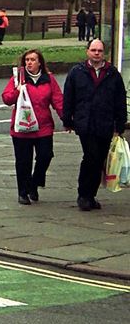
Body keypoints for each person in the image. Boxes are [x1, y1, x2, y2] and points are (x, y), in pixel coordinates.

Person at [62, 39, 128, 211]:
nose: (96, 53)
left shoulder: (112, 74)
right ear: (87, 52)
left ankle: (91, 195)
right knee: (90, 157)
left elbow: (120, 100)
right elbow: (68, 97)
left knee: (99, 160)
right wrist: (67, 120)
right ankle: (83, 195)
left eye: (99, 50)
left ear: (104, 53)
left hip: (105, 124)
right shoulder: (77, 72)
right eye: (93, 50)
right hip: (85, 124)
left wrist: (120, 123)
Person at [1, 49, 63, 205]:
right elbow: (7, 98)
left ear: (39, 62)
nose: (29, 62)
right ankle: (23, 192)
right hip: (22, 128)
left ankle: (34, 183)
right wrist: (17, 91)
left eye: (32, 60)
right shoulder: (18, 79)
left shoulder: (49, 79)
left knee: (46, 155)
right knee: (23, 162)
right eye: (27, 60)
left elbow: (58, 100)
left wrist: (67, 119)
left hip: (43, 127)